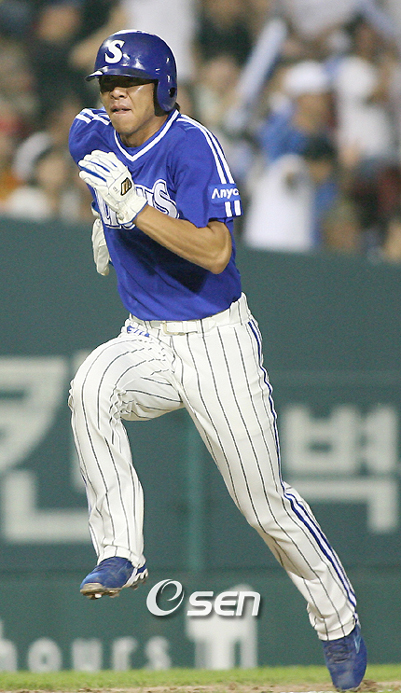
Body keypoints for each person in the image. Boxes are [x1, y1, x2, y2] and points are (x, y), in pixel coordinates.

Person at [68, 30, 367, 690]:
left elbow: (214, 251)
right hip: (146, 335)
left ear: (163, 87)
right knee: (90, 385)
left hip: (216, 340)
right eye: (108, 83)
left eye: (130, 82)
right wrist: (103, 218)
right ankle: (121, 551)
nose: (116, 93)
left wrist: (133, 209)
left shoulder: (191, 145)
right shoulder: (89, 134)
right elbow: (96, 174)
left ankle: (336, 619)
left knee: (263, 505)